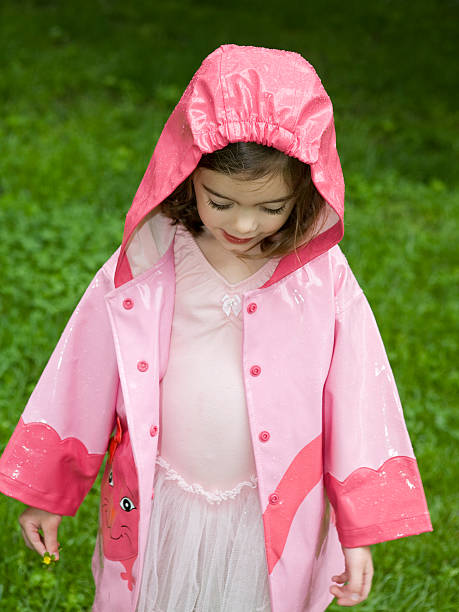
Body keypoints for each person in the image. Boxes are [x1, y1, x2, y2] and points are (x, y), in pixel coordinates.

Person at [0, 44, 432, 612]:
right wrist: (49, 491)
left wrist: (359, 530)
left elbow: (358, 394)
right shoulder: (148, 264)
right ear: (185, 175)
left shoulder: (321, 277)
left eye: (272, 207)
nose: (244, 224)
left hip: (267, 519)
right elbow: (83, 369)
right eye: (221, 202)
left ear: (306, 191)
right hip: (162, 507)